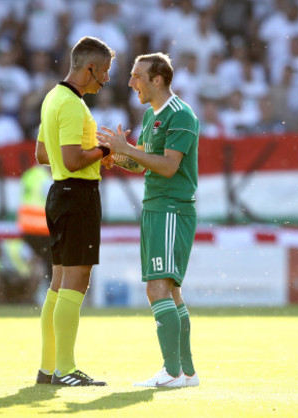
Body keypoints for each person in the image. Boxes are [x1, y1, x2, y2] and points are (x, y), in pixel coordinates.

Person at [97, 52, 199, 388]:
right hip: (156, 207)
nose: (130, 83)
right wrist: (120, 156)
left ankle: (171, 373)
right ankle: (186, 372)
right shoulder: (151, 115)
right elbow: (143, 164)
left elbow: (168, 166)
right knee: (171, 292)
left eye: (137, 76)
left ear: (158, 80)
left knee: (157, 289)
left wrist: (127, 148)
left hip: (171, 208)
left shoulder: (181, 115)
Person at [34, 36, 115, 387]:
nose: (107, 79)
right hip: (78, 196)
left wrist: (89, 153)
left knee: (58, 283)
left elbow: (41, 154)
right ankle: (66, 370)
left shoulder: (52, 98)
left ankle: (48, 368)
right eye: (106, 72)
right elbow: (70, 160)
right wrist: (104, 149)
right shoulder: (70, 104)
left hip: (59, 194)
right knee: (76, 282)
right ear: (90, 68)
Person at [17, 164, 53, 289]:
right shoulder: (46, 179)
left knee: (34, 264)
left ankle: (27, 295)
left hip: (27, 228)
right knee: (52, 265)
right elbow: (54, 201)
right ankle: (54, 296)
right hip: (42, 229)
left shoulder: (29, 174)